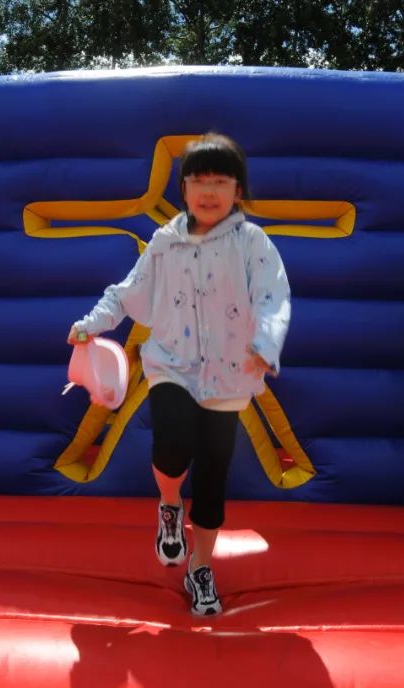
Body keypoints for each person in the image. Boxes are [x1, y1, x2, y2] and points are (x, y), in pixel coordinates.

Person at [68, 134, 290, 617]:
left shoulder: (252, 243)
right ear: (183, 188)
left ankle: (201, 564)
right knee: (171, 444)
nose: (209, 191)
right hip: (171, 362)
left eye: (221, 181)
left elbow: (274, 298)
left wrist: (265, 345)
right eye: (198, 180)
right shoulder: (165, 243)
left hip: (230, 374)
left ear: (238, 190)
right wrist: (90, 324)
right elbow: (126, 293)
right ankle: (170, 507)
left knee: (213, 472)